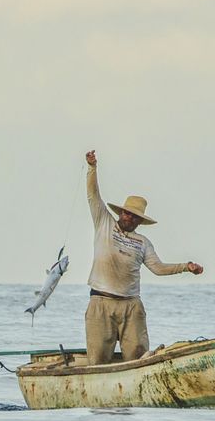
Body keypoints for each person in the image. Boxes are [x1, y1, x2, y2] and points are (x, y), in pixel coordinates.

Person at [84, 150, 203, 365]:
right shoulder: (104, 223)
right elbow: (93, 196)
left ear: (139, 221)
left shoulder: (142, 242)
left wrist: (186, 267)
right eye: (127, 213)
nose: (129, 218)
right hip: (101, 302)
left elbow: (157, 268)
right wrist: (92, 168)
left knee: (138, 358)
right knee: (98, 358)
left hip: (131, 306)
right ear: (121, 213)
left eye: (135, 217)